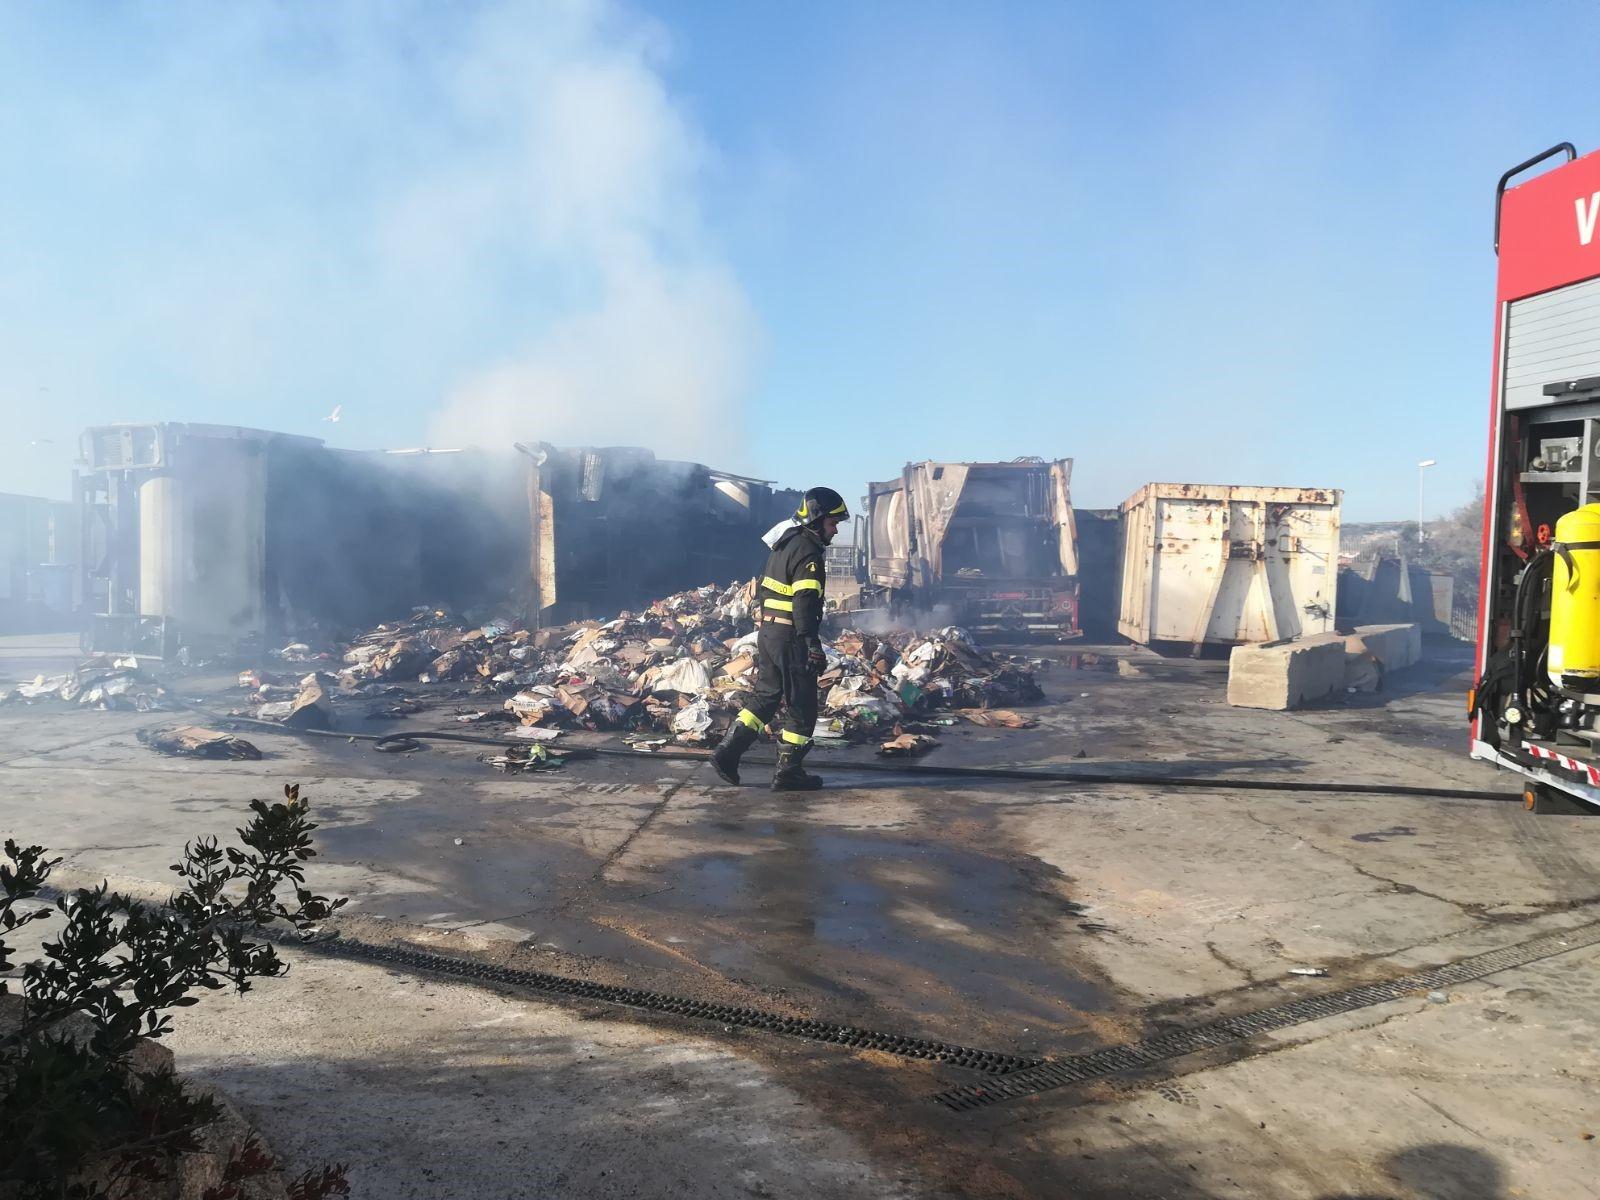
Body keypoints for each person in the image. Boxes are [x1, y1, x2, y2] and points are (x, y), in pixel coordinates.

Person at [710, 486, 849, 791]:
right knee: (803, 705)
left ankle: (727, 753)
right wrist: (812, 643)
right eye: (832, 523)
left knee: (766, 697)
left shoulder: (784, 543)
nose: (836, 530)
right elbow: (805, 601)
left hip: (770, 633)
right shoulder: (809, 550)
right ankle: (789, 772)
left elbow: (766, 590)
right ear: (817, 518)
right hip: (791, 637)